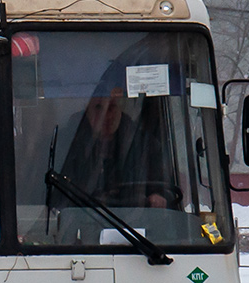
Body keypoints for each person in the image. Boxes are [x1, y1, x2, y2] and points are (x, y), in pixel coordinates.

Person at [58, 81, 172, 210]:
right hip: (79, 223)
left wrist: (158, 196)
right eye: (98, 108)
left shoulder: (146, 145)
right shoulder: (65, 145)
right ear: (87, 109)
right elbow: (55, 197)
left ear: (120, 107)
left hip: (133, 225)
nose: (106, 116)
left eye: (111, 107)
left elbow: (167, 189)